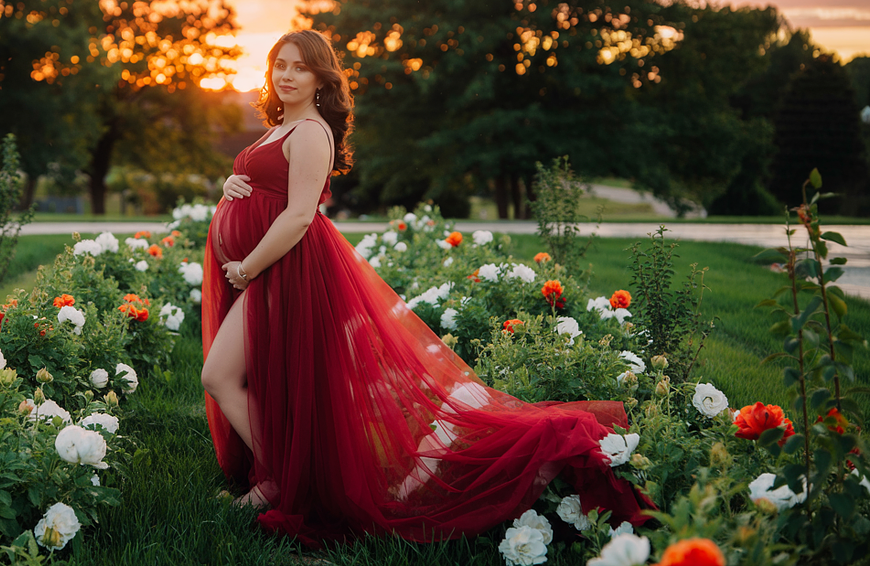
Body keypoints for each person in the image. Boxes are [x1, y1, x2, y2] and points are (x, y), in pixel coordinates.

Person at [199, 29, 650, 547]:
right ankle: (279, 474)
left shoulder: (310, 132)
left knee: (220, 375)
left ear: (321, 78)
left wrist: (249, 266)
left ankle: (283, 478)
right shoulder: (283, 126)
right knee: (260, 380)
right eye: (280, 63)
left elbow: (301, 214)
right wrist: (236, 185)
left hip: (287, 269)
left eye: (299, 67)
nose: (286, 74)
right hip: (268, 268)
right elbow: (269, 187)